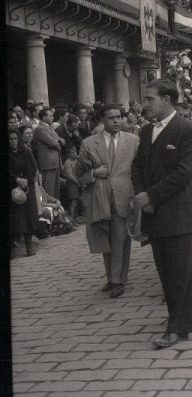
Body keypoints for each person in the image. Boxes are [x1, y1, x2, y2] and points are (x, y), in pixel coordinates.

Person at [131, 79, 192, 348]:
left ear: (167, 100)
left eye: (149, 99)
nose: (144, 104)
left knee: (180, 272)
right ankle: (175, 318)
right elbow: (137, 166)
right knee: (164, 270)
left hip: (178, 212)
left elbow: (184, 173)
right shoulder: (145, 131)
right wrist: (142, 197)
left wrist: (151, 195)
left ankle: (179, 328)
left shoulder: (188, 130)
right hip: (153, 212)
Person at [75, 104, 139, 298]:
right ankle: (111, 277)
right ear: (102, 120)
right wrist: (94, 173)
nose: (117, 121)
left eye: (119, 117)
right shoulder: (88, 143)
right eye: (111, 118)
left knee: (121, 238)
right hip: (99, 196)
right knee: (104, 237)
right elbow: (78, 174)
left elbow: (139, 170)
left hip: (123, 195)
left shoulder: (133, 140)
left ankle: (119, 280)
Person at [9, 130, 39, 258]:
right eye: (10, 139)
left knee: (27, 217)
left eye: (15, 138)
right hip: (11, 189)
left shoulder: (26, 152)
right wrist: (16, 179)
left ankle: (29, 244)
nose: (13, 141)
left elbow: (33, 170)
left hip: (26, 189)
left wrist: (26, 181)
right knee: (13, 219)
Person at [32, 107, 63, 198]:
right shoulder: (40, 129)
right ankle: (51, 211)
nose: (53, 118)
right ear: (44, 117)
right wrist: (58, 142)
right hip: (47, 164)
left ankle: (57, 211)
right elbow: (54, 142)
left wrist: (58, 141)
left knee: (56, 190)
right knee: (49, 191)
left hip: (54, 162)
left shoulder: (49, 128)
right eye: (50, 116)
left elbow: (59, 139)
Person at [63, 145, 81, 225]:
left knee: (77, 201)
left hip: (78, 184)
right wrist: (77, 182)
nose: (74, 153)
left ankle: (75, 218)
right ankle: (72, 218)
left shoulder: (77, 160)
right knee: (73, 201)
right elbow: (69, 175)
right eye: (72, 152)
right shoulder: (67, 162)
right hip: (72, 184)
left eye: (75, 152)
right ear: (68, 154)